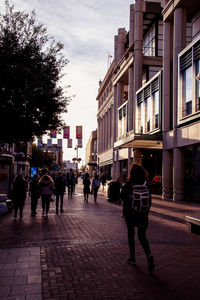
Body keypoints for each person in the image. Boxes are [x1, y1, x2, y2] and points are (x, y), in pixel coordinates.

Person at [120, 163, 155, 271]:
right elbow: (149, 201)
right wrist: (146, 212)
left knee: (131, 235)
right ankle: (149, 255)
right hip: (142, 214)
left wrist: (125, 211)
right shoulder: (146, 184)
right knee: (142, 236)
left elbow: (122, 198)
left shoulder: (129, 184)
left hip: (130, 214)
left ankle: (133, 258)